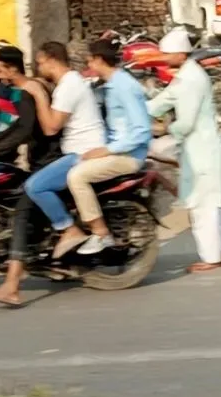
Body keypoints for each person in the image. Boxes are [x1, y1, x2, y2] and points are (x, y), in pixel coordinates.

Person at [147, 28, 221, 273]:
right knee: (214, 204)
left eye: (167, 54)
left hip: (201, 149)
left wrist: (166, 128)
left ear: (179, 54)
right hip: (202, 148)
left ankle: (211, 258)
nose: (164, 59)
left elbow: (185, 123)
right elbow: (163, 100)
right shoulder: (186, 75)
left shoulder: (190, 79)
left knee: (202, 207)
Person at [0, 45, 62, 307]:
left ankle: (11, 286)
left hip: (48, 160)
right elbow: (17, 127)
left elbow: (25, 130)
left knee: (22, 212)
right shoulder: (29, 88)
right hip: (43, 158)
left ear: (12, 68)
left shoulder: (26, 91)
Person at [59, 39, 152, 256]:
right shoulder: (109, 85)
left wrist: (106, 150)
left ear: (99, 60)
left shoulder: (125, 86)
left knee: (77, 176)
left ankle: (100, 233)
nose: (88, 65)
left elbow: (141, 131)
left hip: (128, 155)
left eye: (90, 60)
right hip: (116, 150)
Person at [24, 41, 106, 256]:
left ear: (50, 60)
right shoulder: (70, 83)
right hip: (78, 151)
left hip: (82, 153)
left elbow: (51, 127)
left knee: (35, 186)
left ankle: (69, 229)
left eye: (40, 63)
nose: (38, 69)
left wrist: (39, 95)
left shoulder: (69, 85)